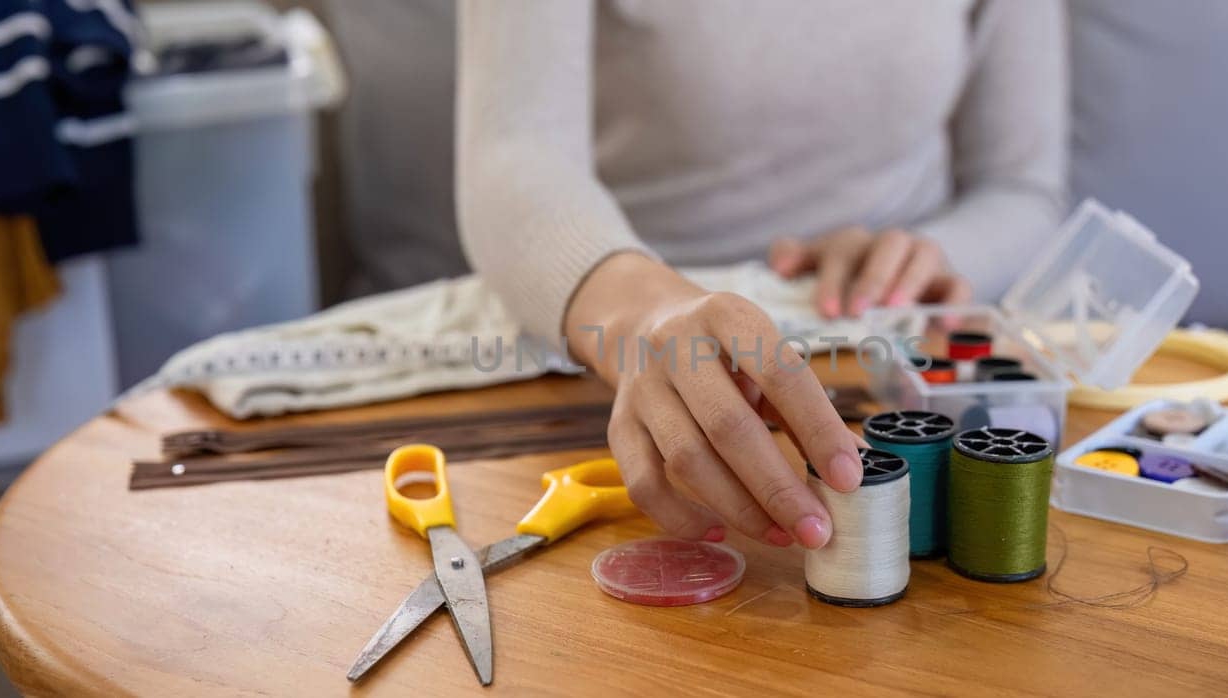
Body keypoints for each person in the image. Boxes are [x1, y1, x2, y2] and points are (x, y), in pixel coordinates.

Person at [456, 0, 1068, 550]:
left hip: (889, 350)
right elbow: (514, 153)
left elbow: (1021, 188)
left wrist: (928, 258)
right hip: (622, 349)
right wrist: (641, 311)